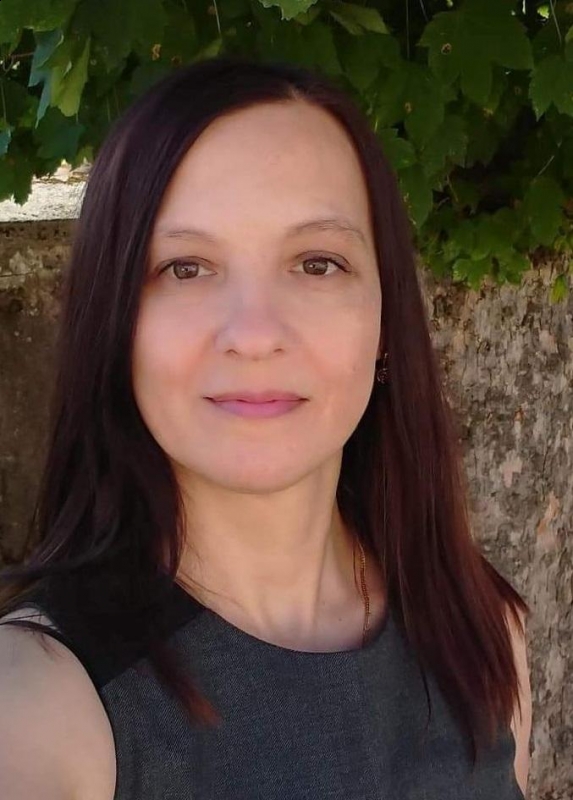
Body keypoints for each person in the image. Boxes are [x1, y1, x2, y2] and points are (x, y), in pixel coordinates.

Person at [0, 55, 531, 800]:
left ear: (386, 321)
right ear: (115, 323)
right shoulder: (40, 705)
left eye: (317, 264)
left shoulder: (482, 632)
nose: (254, 335)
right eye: (185, 268)